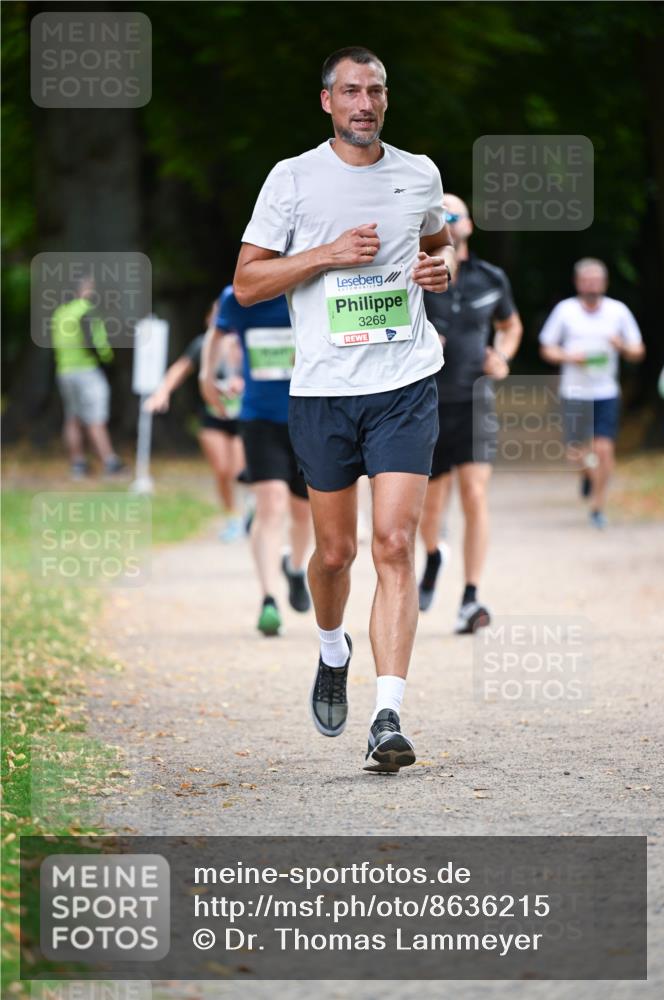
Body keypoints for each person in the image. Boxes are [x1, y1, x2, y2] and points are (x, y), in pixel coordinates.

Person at [230, 46, 456, 773]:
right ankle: (333, 649)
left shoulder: (418, 173)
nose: (365, 103)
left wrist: (439, 269)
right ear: (327, 101)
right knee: (335, 555)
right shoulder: (292, 178)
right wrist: (325, 254)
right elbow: (247, 284)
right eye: (351, 91)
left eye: (376, 91)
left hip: (405, 382)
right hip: (324, 391)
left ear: (387, 99)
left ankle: (387, 715)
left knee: (393, 543)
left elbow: (438, 241)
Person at [418, 194, 523, 632]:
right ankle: (433, 555)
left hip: (475, 402)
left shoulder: (491, 278)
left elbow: (510, 325)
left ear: (469, 225)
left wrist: (502, 357)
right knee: (430, 508)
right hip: (427, 403)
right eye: (438, 213)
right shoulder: (417, 274)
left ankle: (470, 596)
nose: (445, 218)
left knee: (475, 496)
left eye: (452, 213)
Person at [200, 286, 312, 636]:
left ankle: (295, 568)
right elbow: (217, 332)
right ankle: (269, 600)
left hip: (309, 416)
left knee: (303, 513)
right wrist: (206, 376)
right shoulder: (240, 296)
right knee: (270, 507)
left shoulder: (311, 286)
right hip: (260, 419)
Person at [539, 258, 645, 529]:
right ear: (578, 283)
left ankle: (598, 506)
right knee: (577, 452)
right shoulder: (565, 311)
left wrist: (622, 346)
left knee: (604, 449)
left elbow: (638, 351)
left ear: (605, 283)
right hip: (574, 392)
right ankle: (588, 473)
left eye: (596, 281)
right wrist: (569, 356)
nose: (591, 285)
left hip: (606, 392)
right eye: (586, 280)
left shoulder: (618, 311)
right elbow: (546, 348)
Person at [145, 300, 246, 541]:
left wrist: (244, 384)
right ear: (208, 319)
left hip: (244, 417)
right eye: (216, 315)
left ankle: (252, 509)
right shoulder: (202, 345)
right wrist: (162, 392)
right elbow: (180, 369)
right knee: (222, 470)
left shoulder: (245, 342)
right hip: (212, 417)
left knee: (239, 471)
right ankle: (233, 517)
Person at [51, 276, 124, 479]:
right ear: (83, 290)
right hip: (87, 370)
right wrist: (107, 360)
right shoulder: (87, 310)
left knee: (72, 418)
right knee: (96, 418)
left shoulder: (60, 313)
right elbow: (96, 341)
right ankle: (109, 462)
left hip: (65, 370)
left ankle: (78, 464)